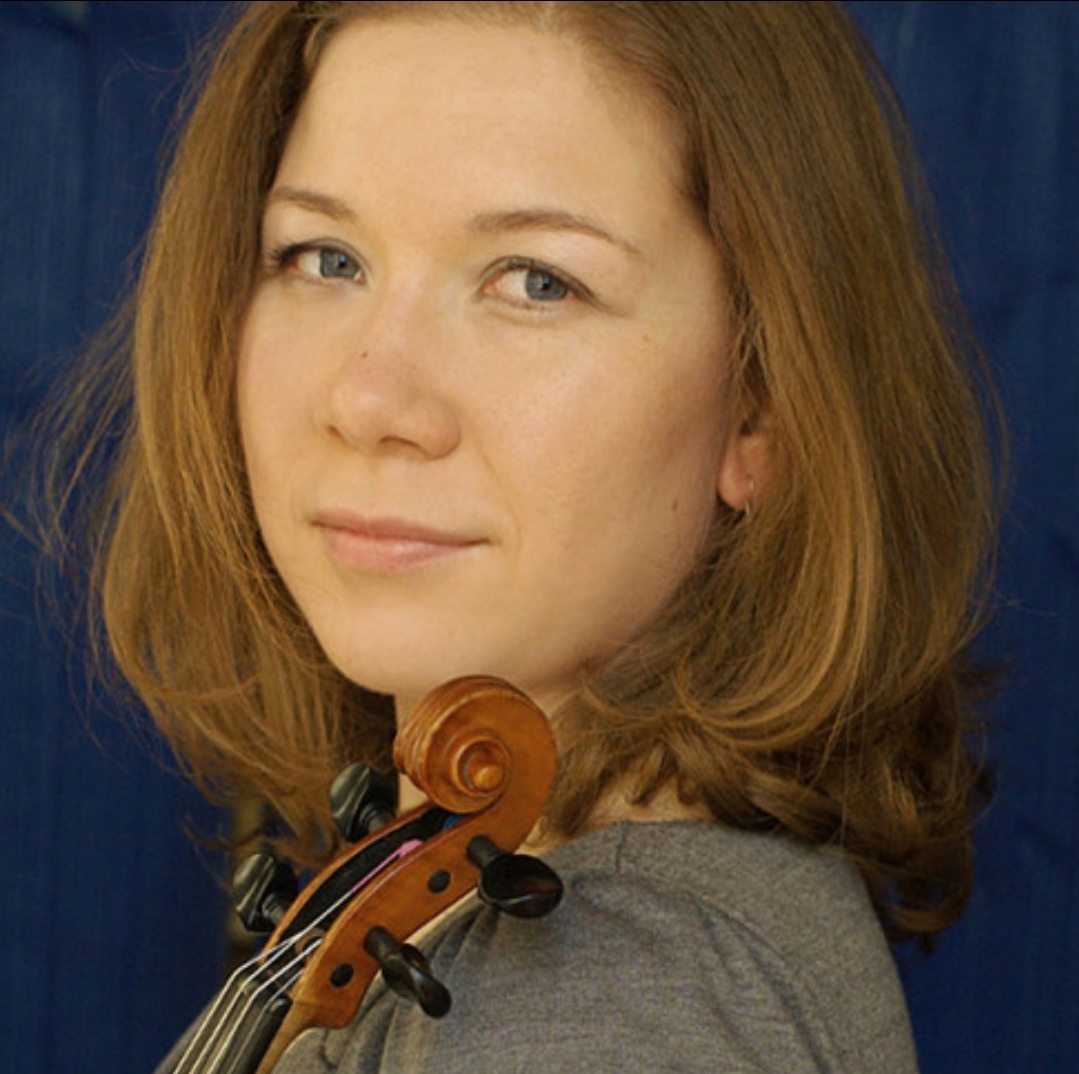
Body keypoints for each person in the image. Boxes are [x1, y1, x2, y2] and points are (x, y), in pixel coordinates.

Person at [26, 1, 999, 1070]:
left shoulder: (594, 1012)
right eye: (323, 258)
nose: (368, 400)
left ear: (763, 406)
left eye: (537, 281)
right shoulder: (652, 942)